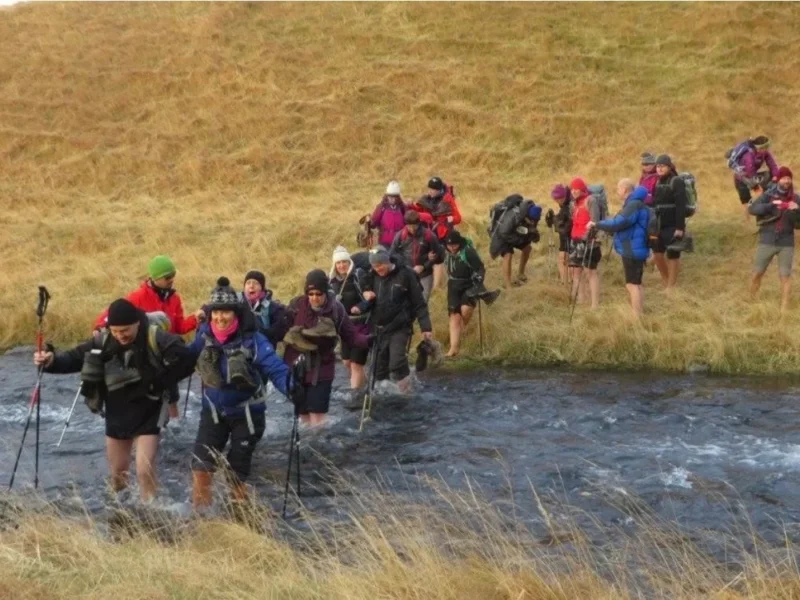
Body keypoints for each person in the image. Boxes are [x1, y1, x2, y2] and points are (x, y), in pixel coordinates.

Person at [35, 298, 192, 503]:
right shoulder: (104, 341)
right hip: (117, 413)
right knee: (118, 475)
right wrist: (51, 361)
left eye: (125, 330)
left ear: (137, 323)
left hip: (148, 412)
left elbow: (186, 359)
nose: (120, 336)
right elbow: (74, 358)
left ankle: (154, 511)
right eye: (116, 331)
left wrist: (160, 381)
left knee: (144, 470)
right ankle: (120, 512)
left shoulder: (156, 337)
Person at [187, 277, 291, 509]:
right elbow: (184, 360)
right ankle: (202, 520)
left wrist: (294, 388)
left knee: (235, 473)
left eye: (225, 312)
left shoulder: (253, 339)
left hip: (248, 414)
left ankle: (240, 517)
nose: (219, 318)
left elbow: (276, 368)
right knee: (201, 469)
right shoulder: (204, 336)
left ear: (236, 313)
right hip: (212, 412)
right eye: (215, 312)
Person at [95, 255, 204, 420]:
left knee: (172, 397)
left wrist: (195, 319)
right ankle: (148, 426)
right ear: (154, 278)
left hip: (166, 355)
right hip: (144, 355)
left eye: (173, 275)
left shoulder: (174, 298)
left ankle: (174, 426)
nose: (171, 280)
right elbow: (109, 316)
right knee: (149, 398)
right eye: (167, 277)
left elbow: (178, 327)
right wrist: (98, 328)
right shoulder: (137, 297)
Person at [284, 270, 370, 426]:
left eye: (318, 294)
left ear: (325, 292)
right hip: (297, 367)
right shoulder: (296, 306)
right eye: (310, 294)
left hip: (322, 368)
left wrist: (367, 340)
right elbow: (281, 329)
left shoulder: (336, 309)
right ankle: (307, 441)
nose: (314, 298)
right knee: (303, 417)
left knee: (318, 418)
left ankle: (320, 440)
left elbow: (351, 336)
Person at [361, 247, 433, 392]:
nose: (378, 269)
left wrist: (425, 327)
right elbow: (361, 283)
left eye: (380, 265)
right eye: (374, 266)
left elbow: (419, 303)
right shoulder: (371, 275)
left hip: (400, 326)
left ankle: (407, 392)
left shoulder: (406, 274)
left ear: (388, 261)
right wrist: (365, 292)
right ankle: (384, 395)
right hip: (378, 327)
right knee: (379, 370)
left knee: (397, 362)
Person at [591, 181, 651, 318]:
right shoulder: (637, 203)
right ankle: (640, 313)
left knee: (631, 285)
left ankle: (636, 316)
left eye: (618, 188)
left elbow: (619, 223)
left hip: (632, 248)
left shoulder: (633, 205)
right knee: (637, 283)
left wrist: (597, 224)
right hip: (637, 247)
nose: (617, 191)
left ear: (624, 190)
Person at [748, 166, 800, 312]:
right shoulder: (768, 195)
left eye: (789, 178)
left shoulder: (796, 198)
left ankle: (784, 310)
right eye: (784, 178)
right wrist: (771, 206)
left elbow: (799, 224)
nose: (787, 181)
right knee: (757, 273)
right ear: (778, 180)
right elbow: (752, 209)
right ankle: (750, 302)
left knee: (785, 276)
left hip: (786, 243)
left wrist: (797, 209)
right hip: (767, 240)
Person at [443, 230, 498, 357]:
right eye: (449, 245)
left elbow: (480, 267)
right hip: (453, 285)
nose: (452, 248)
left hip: (470, 284)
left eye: (454, 245)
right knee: (454, 316)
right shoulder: (445, 252)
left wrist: (479, 277)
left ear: (459, 243)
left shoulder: (468, 251)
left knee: (465, 311)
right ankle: (453, 349)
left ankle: (460, 333)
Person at [328, 246, 372, 397]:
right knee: (347, 362)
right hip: (345, 327)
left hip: (362, 324)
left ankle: (355, 396)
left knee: (356, 363)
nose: (341, 265)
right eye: (338, 263)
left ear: (349, 262)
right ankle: (366, 388)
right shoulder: (332, 281)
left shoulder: (358, 275)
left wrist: (360, 307)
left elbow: (371, 298)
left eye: (344, 262)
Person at [410, 176, 462, 289]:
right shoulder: (425, 200)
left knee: (437, 258)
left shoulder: (448, 200)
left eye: (433, 189)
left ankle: (437, 287)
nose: (430, 191)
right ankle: (434, 283)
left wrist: (450, 219)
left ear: (439, 190)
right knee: (430, 257)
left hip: (443, 234)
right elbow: (417, 210)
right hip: (428, 233)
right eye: (429, 189)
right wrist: (411, 206)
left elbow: (458, 218)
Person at [389, 209, 444, 302]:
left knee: (422, 302)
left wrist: (424, 266)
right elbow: (392, 254)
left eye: (414, 226)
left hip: (425, 275)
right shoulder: (400, 235)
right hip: (406, 275)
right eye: (409, 226)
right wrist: (405, 267)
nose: (412, 229)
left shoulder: (429, 235)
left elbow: (438, 255)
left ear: (419, 223)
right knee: (407, 302)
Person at [489, 195, 542, 288]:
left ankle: (521, 274)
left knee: (527, 248)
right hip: (501, 235)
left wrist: (533, 235)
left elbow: (528, 229)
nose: (533, 223)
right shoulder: (513, 216)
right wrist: (520, 240)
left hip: (514, 234)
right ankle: (508, 285)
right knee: (508, 255)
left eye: (534, 221)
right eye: (531, 221)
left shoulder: (533, 215)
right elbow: (503, 233)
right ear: (526, 216)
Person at [652, 155, 687, 289]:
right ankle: (667, 282)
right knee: (657, 255)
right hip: (658, 225)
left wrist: (679, 228)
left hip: (672, 225)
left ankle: (671, 286)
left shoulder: (676, 181)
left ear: (669, 167)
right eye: (658, 166)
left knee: (673, 255)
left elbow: (681, 206)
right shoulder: (658, 182)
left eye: (663, 166)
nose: (659, 169)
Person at [568, 178, 602, 309]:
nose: (573, 191)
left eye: (576, 188)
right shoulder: (573, 203)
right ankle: (581, 299)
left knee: (590, 272)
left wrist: (589, 237)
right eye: (572, 189)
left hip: (588, 241)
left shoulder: (591, 200)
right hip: (575, 240)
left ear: (582, 189)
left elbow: (595, 221)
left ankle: (594, 304)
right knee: (576, 271)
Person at [240, 270, 291, 348]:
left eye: (256, 283)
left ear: (262, 288)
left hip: (265, 349)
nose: (251, 286)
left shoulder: (274, 308)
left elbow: (277, 334)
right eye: (248, 283)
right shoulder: (237, 306)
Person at [732, 135, 780, 218]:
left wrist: (775, 176)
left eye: (767, 146)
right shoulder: (749, 155)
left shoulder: (765, 153)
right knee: (747, 200)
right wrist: (757, 186)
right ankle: (748, 219)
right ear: (759, 148)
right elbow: (750, 171)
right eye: (765, 147)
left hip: (752, 176)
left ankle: (765, 213)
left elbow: (772, 165)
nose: (767, 149)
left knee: (764, 188)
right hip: (741, 179)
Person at [370, 180, 407, 248]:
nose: (393, 199)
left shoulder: (402, 207)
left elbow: (409, 221)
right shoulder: (381, 207)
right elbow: (374, 222)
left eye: (395, 197)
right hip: (384, 242)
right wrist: (369, 222)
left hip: (399, 242)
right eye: (390, 197)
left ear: (398, 197)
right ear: (387, 196)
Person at [549, 184, 572, 284]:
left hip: (569, 236)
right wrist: (554, 217)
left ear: (562, 197)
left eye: (557, 198)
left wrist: (554, 219)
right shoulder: (565, 205)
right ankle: (567, 281)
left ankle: (566, 282)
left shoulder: (567, 206)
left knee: (564, 259)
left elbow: (563, 224)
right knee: (564, 259)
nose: (556, 201)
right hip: (566, 236)